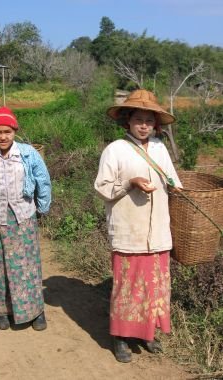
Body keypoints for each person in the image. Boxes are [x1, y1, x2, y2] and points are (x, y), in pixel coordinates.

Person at [94, 89, 182, 363]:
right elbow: (103, 188)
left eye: (149, 120)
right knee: (127, 286)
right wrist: (130, 182)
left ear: (155, 124)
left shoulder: (159, 149)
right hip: (129, 231)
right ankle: (121, 337)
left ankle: (147, 334)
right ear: (127, 121)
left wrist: (180, 190)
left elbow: (173, 181)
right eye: (138, 119)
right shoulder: (115, 150)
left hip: (158, 232)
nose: (144, 125)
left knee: (155, 286)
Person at [0, 106, 51, 331]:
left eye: (7, 131)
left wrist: (42, 207)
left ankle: (36, 312)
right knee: (0, 266)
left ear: (15, 131)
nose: (3, 136)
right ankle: (4, 311)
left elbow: (42, 180)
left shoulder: (26, 153)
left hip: (23, 217)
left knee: (28, 265)